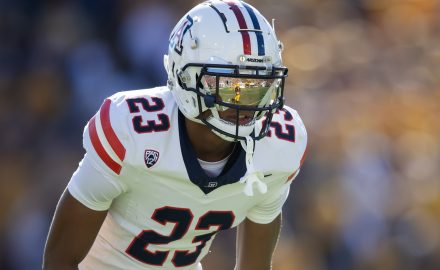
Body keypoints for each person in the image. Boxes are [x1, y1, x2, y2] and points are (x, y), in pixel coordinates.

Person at [43, 1, 307, 269]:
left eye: (258, 87)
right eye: (230, 86)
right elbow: (60, 259)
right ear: (186, 77)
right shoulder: (131, 131)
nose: (247, 104)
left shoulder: (280, 145)